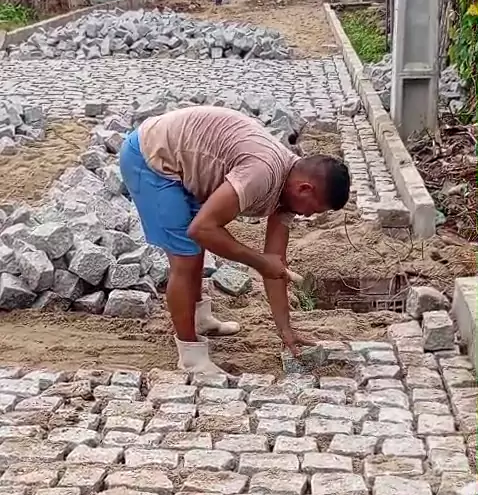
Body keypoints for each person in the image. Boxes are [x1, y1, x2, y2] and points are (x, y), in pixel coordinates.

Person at [119, 106, 350, 374]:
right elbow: (202, 229)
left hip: (183, 158)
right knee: (186, 257)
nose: (308, 215)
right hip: (151, 157)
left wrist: (286, 330)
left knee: (195, 249)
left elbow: (275, 266)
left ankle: (199, 319)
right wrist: (258, 261)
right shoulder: (261, 174)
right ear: (305, 189)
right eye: (314, 209)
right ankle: (191, 357)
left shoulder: (290, 191)